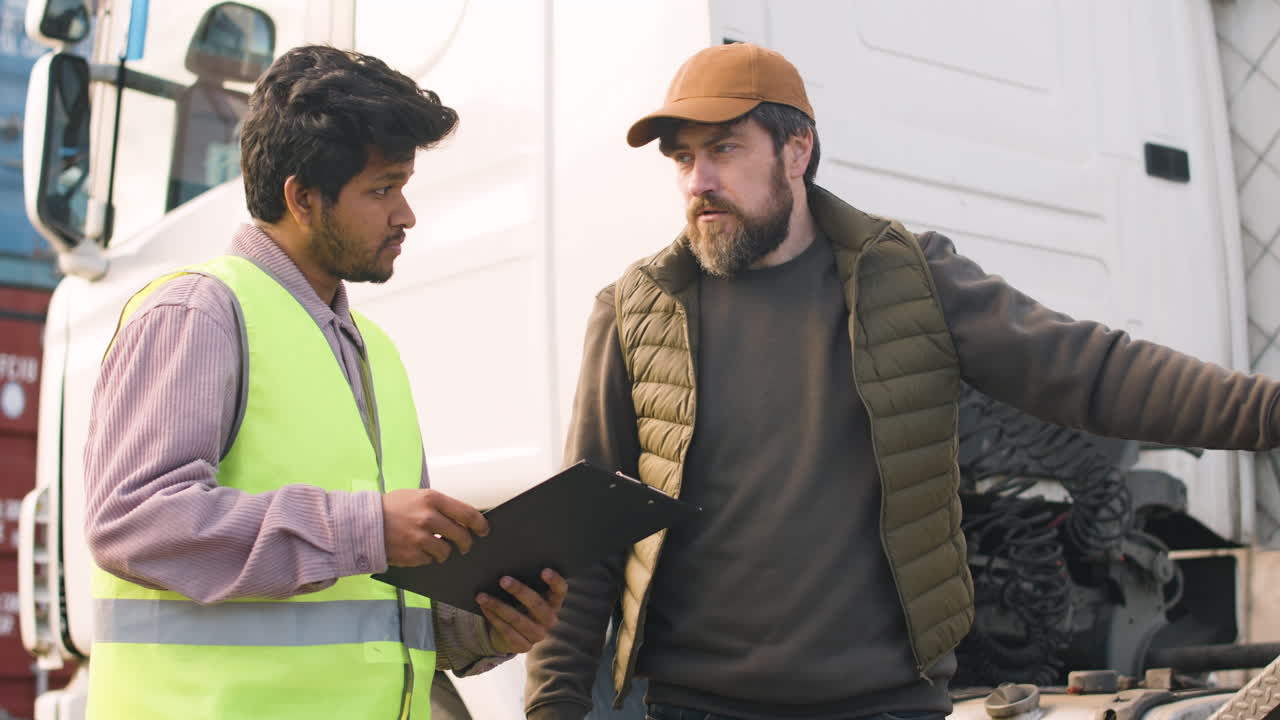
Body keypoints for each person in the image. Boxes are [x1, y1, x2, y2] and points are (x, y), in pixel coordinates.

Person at [524, 41, 1280, 720]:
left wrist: (1268, 411)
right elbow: (585, 534)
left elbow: (1090, 371)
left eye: (724, 148)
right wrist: (553, 708)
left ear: (797, 149)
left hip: (885, 706)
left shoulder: (908, 279)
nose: (701, 181)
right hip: (696, 707)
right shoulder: (634, 312)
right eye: (684, 159)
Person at [83, 45, 566, 720]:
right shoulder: (197, 313)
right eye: (382, 189)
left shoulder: (376, 354)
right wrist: (365, 527)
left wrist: (486, 627)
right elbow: (136, 521)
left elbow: (370, 608)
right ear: (302, 199)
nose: (406, 214)